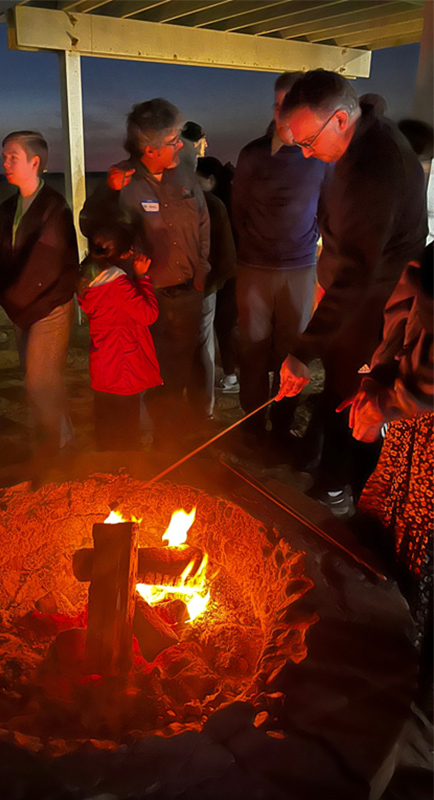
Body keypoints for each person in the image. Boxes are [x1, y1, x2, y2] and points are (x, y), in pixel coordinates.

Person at [277, 70, 428, 515]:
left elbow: (360, 272)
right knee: (339, 386)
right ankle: (324, 465)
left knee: (357, 397)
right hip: (352, 299)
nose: (306, 154)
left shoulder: (375, 170)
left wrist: (303, 349)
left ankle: (349, 494)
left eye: (308, 142)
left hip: (374, 308)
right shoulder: (354, 142)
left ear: (342, 118)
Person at [83, 98, 210, 449]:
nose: (180, 146)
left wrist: (202, 269)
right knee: (137, 378)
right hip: (143, 299)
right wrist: (109, 193)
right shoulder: (122, 181)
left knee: (177, 376)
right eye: (172, 141)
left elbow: (202, 220)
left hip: (186, 295)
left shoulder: (183, 173)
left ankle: (168, 448)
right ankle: (125, 451)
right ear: (150, 149)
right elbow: (90, 225)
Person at [343, 243, 432, 695]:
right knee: (387, 527)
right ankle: (382, 644)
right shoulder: (430, 259)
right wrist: (379, 374)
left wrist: (389, 401)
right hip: (409, 420)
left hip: (422, 422)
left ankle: (413, 680)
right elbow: (406, 307)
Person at [230, 72, 328, 446]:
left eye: (291, 104)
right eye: (277, 103)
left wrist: (310, 243)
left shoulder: (318, 156)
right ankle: (253, 425)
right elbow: (238, 210)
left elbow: (327, 206)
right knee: (252, 349)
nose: (282, 113)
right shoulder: (253, 153)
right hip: (254, 268)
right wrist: (253, 248)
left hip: (300, 268)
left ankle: (283, 424)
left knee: (293, 351)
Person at [0, 131, 79, 455]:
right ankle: (61, 438)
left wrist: (14, 298)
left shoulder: (53, 207)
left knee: (39, 381)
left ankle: (56, 450)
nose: (5, 162)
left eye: (13, 156)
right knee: (40, 379)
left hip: (49, 306)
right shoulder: (7, 207)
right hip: (19, 307)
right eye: (4, 155)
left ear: (35, 162)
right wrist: (5, 296)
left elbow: (47, 266)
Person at [78, 225, 161, 451]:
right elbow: (148, 314)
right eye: (129, 249)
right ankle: (125, 472)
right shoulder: (116, 284)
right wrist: (142, 277)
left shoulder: (88, 278)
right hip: (124, 365)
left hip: (103, 363)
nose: (133, 251)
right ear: (119, 254)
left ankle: (105, 467)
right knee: (126, 429)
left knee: (105, 422)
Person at [190, 157, 237, 414]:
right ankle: (201, 405)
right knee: (202, 342)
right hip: (206, 285)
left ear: (210, 180)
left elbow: (227, 256)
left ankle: (204, 405)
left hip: (208, 286)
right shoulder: (219, 203)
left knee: (205, 341)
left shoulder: (215, 206)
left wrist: (211, 283)